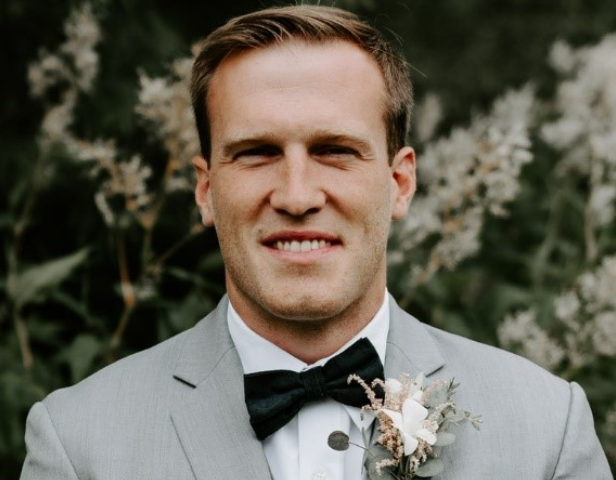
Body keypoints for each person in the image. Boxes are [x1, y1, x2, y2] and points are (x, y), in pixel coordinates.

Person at [20, 5, 612, 480]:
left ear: (400, 182)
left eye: (334, 151)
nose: (297, 195)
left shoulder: (545, 429)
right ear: (205, 190)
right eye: (257, 153)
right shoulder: (78, 444)